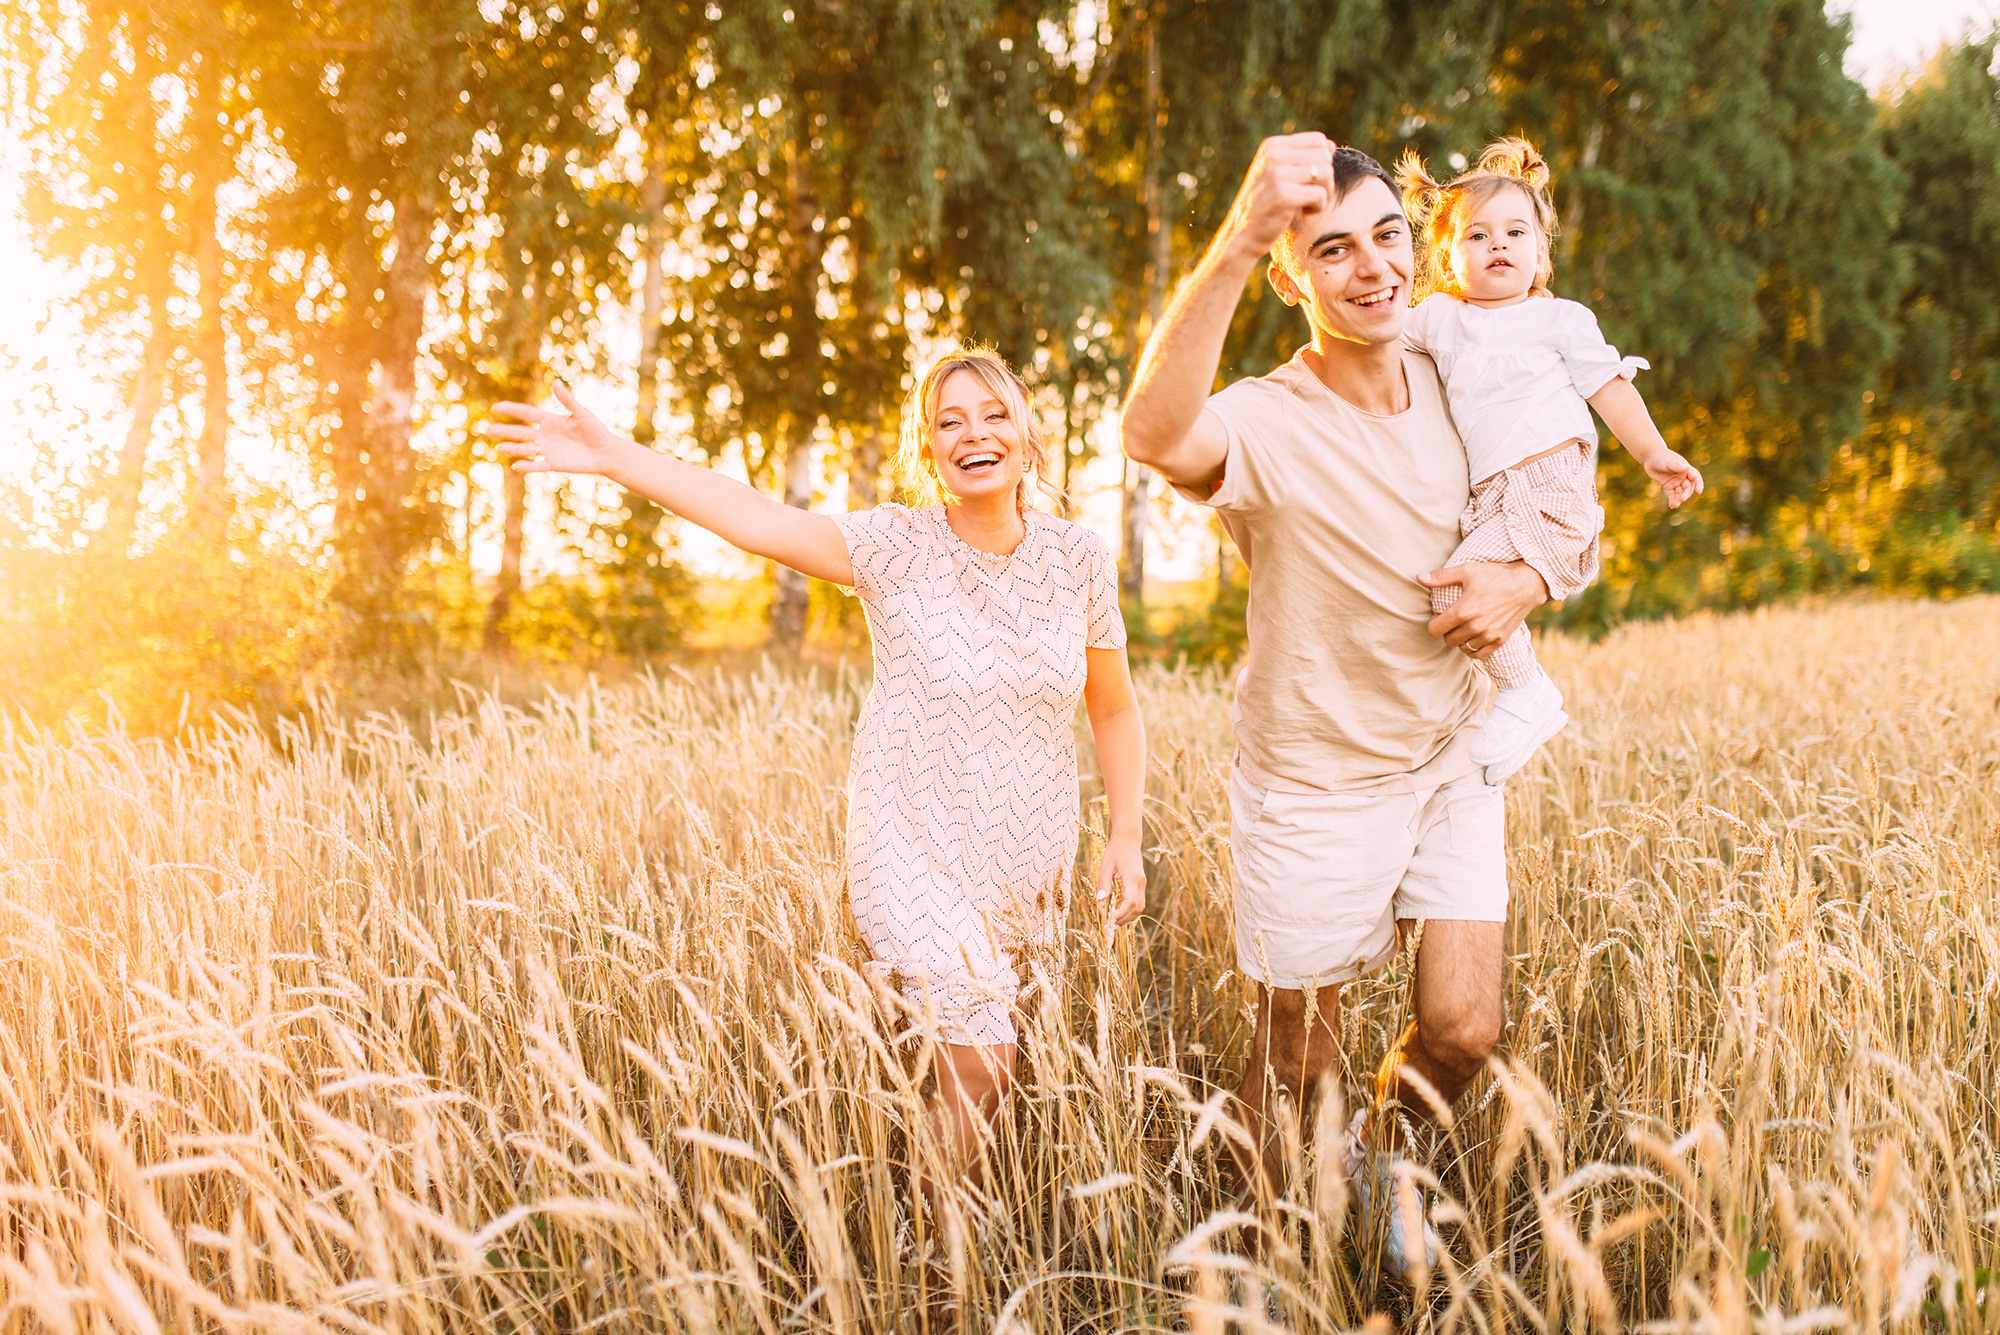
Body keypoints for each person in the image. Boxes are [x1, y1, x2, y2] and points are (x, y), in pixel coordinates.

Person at [486, 347, 1149, 1185]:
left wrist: (1124, 832)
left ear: (1027, 435)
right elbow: (755, 516)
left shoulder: (1079, 557)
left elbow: (1113, 705)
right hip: (912, 843)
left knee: (981, 1072)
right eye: (949, 421)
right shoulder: (894, 546)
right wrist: (621, 457)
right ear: (927, 449)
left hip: (1029, 854)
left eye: (993, 415)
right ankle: (949, 1280)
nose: (973, 434)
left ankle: (951, 1245)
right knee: (985, 1058)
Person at [1119, 135, 1552, 1273]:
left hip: (1450, 755)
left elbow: (1561, 493)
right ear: (1289, 274)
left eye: (1388, 236)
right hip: (1312, 785)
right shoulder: (1264, 420)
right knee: (1296, 1053)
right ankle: (1265, 1268)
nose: (1371, 268)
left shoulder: (1462, 373)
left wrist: (1535, 575)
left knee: (1463, 1030)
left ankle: (1380, 1146)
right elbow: (1151, 435)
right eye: (1331, 249)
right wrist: (1237, 231)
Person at [1398, 137, 1703, 782]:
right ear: (1448, 256)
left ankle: (1527, 691)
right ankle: (1516, 692)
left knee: (1455, 586)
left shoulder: (1561, 319)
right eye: (1477, 236)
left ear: (1541, 251)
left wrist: (1653, 453)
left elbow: (1609, 389)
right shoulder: (1439, 317)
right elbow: (1379, 335)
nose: (1499, 246)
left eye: (1516, 233)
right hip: (1492, 492)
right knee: (1454, 597)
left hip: (1548, 479)